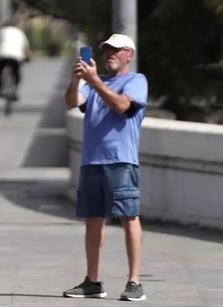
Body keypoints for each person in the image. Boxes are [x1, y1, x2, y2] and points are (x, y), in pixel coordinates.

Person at [62, 34, 148, 302]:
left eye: (115, 50)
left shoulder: (136, 81)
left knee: (129, 217)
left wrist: (95, 81)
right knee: (93, 221)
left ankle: (134, 282)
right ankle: (93, 281)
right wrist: (77, 79)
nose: (109, 54)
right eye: (106, 50)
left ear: (129, 55)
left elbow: (122, 106)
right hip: (92, 161)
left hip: (121, 161)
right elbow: (72, 102)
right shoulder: (93, 84)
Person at [0, 20, 31, 99]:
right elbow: (26, 47)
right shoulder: (20, 32)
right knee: (17, 72)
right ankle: (15, 87)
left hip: (2, 55)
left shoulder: (0, 31)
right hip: (16, 56)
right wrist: (28, 57)